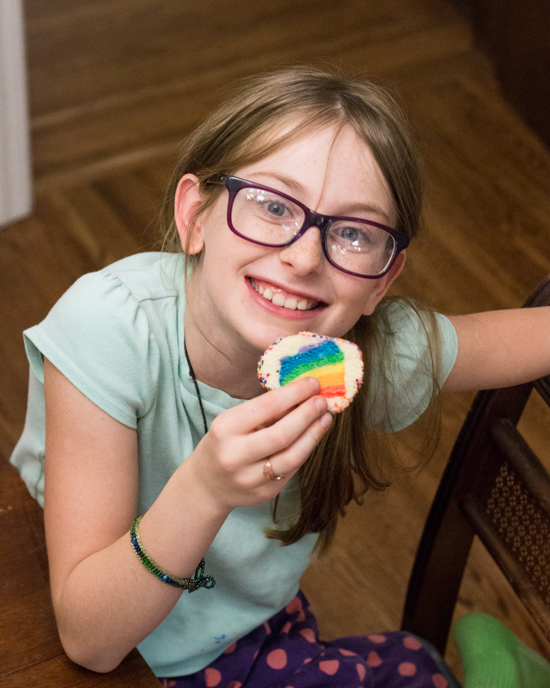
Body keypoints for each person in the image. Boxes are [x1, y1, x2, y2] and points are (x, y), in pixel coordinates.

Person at [10, 67, 550, 688]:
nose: (303, 256)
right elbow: (90, 641)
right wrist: (206, 489)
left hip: (243, 632)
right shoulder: (109, 329)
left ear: (383, 280)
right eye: (271, 204)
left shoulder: (360, 350)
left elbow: (517, 338)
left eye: (351, 232)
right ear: (196, 216)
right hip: (86, 635)